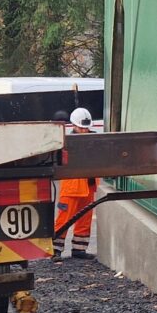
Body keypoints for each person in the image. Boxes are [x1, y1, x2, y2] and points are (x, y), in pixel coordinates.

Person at [54, 108, 98, 260]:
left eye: (86, 127)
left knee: (85, 220)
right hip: (71, 188)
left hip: (88, 187)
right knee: (63, 220)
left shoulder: (94, 140)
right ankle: (55, 250)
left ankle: (79, 249)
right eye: (81, 127)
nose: (84, 130)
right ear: (73, 125)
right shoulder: (67, 142)